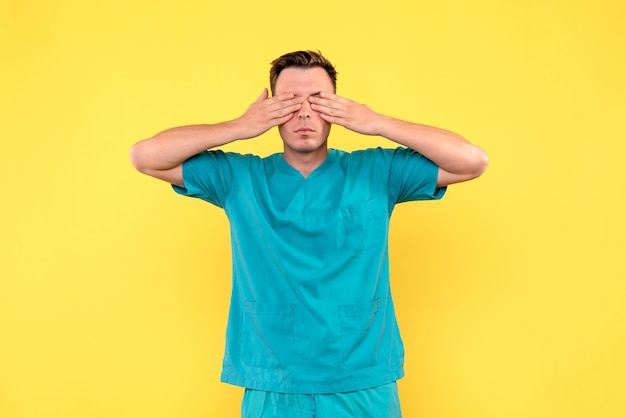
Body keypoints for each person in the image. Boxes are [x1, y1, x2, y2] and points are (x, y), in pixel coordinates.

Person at [129, 50, 488, 417]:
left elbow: (472, 161)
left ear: (337, 106)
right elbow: (145, 156)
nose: (304, 112)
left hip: (362, 380)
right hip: (273, 382)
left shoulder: (377, 170)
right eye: (289, 101)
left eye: (318, 100)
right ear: (271, 110)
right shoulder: (240, 178)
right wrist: (238, 127)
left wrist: (376, 121)